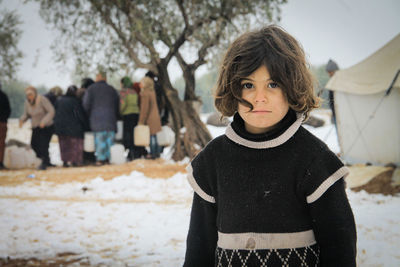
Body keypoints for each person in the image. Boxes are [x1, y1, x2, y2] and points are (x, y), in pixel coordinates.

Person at [184, 25, 357, 266]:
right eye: (248, 85)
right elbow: (198, 252)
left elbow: (340, 252)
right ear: (232, 89)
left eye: (273, 84)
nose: (260, 97)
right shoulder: (213, 161)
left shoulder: (314, 161)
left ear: (292, 87)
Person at [82, 71, 119, 165]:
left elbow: (86, 105)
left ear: (97, 78)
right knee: (109, 142)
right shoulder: (112, 89)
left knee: (99, 141)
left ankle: (100, 159)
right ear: (105, 78)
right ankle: (109, 159)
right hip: (110, 120)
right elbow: (117, 105)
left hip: (96, 120)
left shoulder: (91, 89)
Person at [20, 86, 55, 170]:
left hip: (46, 126)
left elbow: (51, 111)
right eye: (28, 95)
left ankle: (44, 163)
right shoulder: (27, 102)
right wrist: (22, 120)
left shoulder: (42, 99)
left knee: (43, 145)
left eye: (31, 94)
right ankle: (44, 160)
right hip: (35, 126)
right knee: (34, 144)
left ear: (34, 94)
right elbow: (27, 114)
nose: (29, 96)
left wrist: (44, 121)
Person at [54, 85, 88, 167]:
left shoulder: (59, 100)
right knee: (75, 145)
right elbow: (79, 115)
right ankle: (75, 161)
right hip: (74, 128)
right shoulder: (75, 101)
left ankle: (65, 161)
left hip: (61, 128)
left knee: (64, 145)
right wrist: (85, 125)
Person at [138, 76, 161, 159]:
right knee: (154, 136)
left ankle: (152, 153)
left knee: (151, 136)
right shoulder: (152, 92)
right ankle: (157, 153)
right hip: (155, 116)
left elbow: (144, 109)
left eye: (141, 82)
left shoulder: (145, 93)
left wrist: (141, 121)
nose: (139, 84)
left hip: (150, 118)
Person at [119, 76, 140, 160]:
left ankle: (130, 152)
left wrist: (120, 113)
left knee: (128, 134)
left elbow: (123, 104)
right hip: (136, 114)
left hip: (127, 115)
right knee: (134, 133)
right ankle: (135, 151)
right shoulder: (134, 91)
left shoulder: (124, 92)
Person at [325, 59, 339, 127]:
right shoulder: (331, 83)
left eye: (330, 72)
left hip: (340, 113)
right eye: (328, 72)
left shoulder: (339, 83)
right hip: (335, 113)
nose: (329, 74)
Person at [0, 81, 11, 169]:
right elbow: (8, 110)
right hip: (2, 123)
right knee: (1, 143)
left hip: (2, 122)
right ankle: (0, 162)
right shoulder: (3, 96)